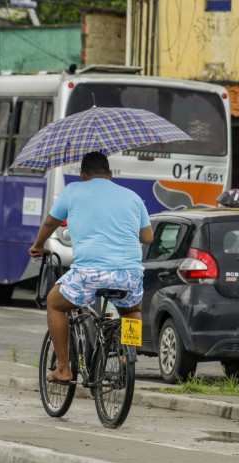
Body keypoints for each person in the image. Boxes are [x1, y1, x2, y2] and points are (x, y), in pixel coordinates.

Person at [28, 152, 153, 383]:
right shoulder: (132, 197)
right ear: (111, 174)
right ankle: (127, 356)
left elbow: (50, 223)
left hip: (89, 273)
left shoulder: (73, 190)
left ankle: (64, 369)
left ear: (83, 175)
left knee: (55, 304)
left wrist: (38, 245)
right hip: (129, 273)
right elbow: (148, 237)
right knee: (132, 311)